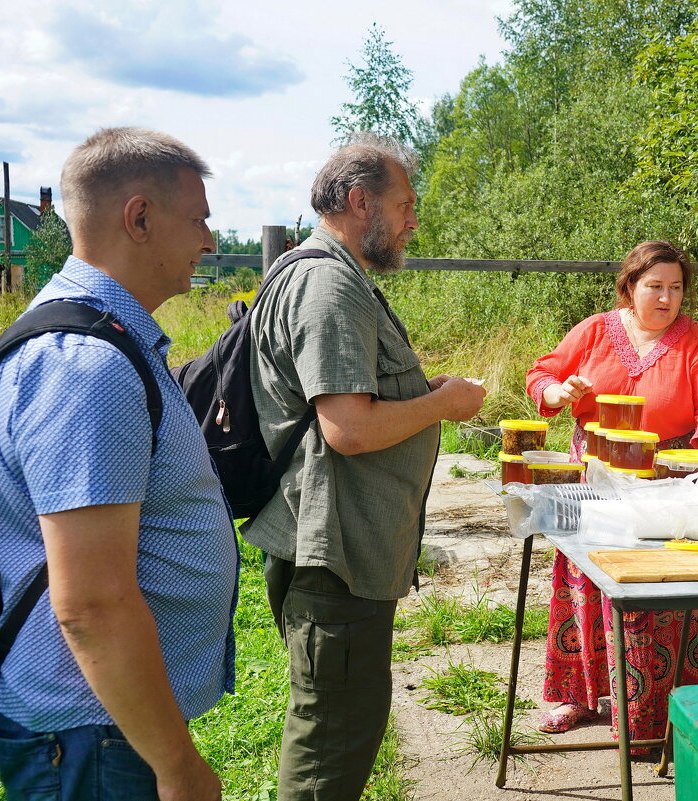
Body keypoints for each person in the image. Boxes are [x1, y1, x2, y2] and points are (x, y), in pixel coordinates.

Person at [0, 127, 238, 800]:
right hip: (93, 737)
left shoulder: (106, 341)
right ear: (141, 218)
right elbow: (92, 604)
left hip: (104, 726)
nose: (209, 239)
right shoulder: (87, 367)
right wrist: (177, 765)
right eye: (199, 218)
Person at [243, 132, 486, 801]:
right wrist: (441, 403)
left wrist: (417, 392)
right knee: (331, 747)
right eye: (404, 203)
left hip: (340, 552)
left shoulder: (328, 274)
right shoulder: (328, 285)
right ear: (358, 201)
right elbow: (347, 429)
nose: (413, 220)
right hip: (335, 555)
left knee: (340, 728)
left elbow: (354, 401)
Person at [525, 240, 698, 742]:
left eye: (676, 288)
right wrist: (558, 394)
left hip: (666, 483)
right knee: (586, 576)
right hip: (594, 479)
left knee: (658, 588)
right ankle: (576, 695)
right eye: (655, 287)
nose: (667, 298)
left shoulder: (697, 342)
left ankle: (664, 711)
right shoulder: (597, 329)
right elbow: (543, 374)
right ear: (630, 287)